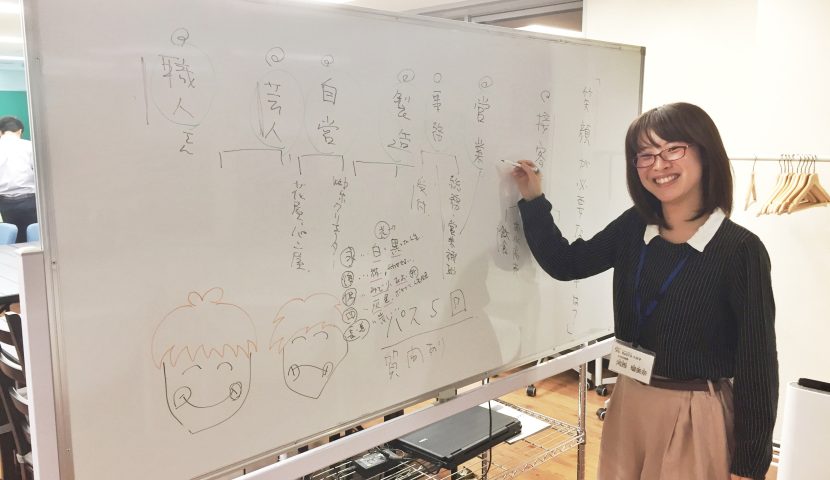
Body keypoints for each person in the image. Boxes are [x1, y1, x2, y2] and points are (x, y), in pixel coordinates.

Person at [511, 102, 777, 480]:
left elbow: (758, 363)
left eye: (673, 149)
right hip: (628, 399)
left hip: (694, 412)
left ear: (705, 153)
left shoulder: (740, 250)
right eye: (645, 155)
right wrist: (533, 200)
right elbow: (567, 263)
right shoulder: (634, 225)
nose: (658, 165)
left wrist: (750, 464)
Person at [0, 116, 37, 243]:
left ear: (1, 132)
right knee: (34, 239)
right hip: (30, 201)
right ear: (20, 131)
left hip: (4, 203)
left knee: (10, 240)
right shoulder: (30, 146)